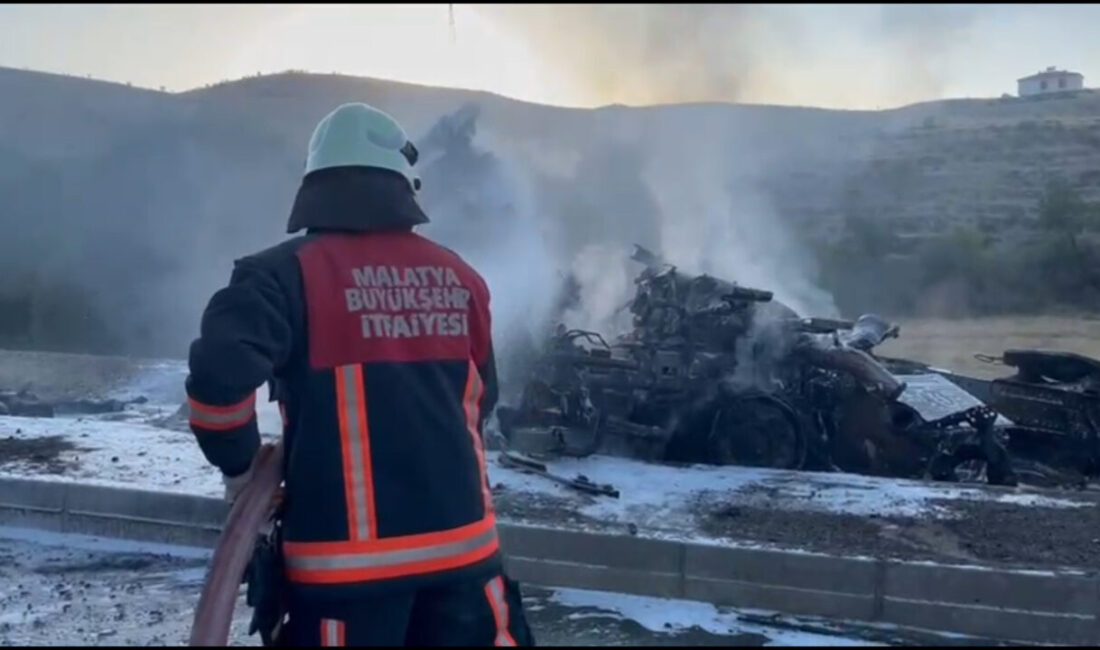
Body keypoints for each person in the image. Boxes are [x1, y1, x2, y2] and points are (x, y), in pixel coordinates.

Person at [185, 102, 535, 647]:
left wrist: (242, 467)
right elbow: (481, 399)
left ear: (315, 184)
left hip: (345, 580)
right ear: (403, 184)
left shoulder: (281, 276)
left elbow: (217, 381)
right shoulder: (461, 277)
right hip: (467, 562)